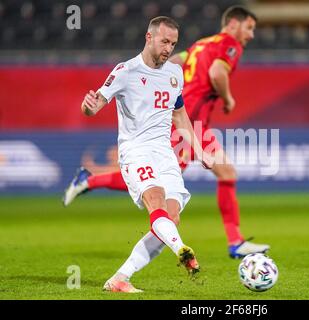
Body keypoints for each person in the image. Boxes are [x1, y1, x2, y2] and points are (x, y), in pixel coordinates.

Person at [63, 5, 270, 259]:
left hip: (196, 123)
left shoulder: (203, 44)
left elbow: (175, 60)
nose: (250, 35)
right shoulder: (231, 46)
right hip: (186, 122)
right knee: (160, 184)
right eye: (248, 28)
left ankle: (235, 241)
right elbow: (217, 73)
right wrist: (228, 99)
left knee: (226, 171)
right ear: (234, 24)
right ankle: (89, 180)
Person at [80, 16, 214, 293]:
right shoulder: (125, 71)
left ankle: (120, 279)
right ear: (149, 37)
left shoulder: (175, 73)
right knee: (156, 201)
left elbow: (180, 118)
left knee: (171, 218)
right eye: (165, 41)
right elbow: (95, 106)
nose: (169, 48)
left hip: (165, 154)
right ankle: (184, 251)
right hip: (135, 151)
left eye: (173, 43)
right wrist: (89, 107)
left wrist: (200, 151)